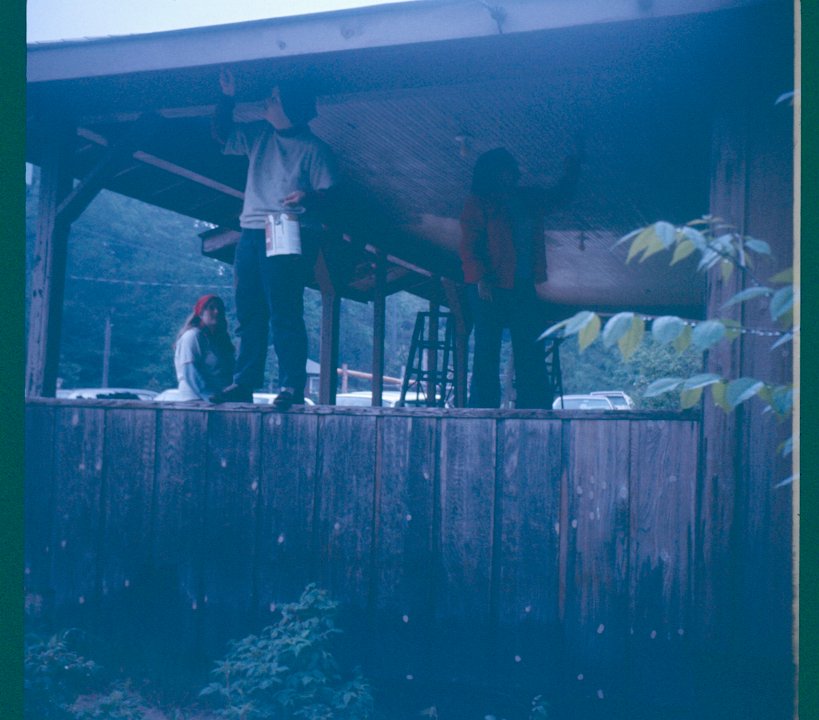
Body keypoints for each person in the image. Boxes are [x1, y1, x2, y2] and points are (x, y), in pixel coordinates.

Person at [212, 68, 338, 409]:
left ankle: (292, 387)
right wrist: (226, 98)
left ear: (290, 106)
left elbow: (335, 196)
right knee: (249, 309)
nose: (268, 100)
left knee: (284, 308)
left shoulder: (314, 149)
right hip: (252, 227)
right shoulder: (259, 135)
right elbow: (222, 135)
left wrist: (308, 198)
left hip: (287, 226)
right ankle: (244, 381)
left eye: (275, 97)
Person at [459, 147, 580, 409]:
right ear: (494, 173)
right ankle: (482, 407)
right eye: (507, 168)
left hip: (519, 283)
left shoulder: (526, 198)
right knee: (487, 347)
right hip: (488, 285)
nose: (513, 173)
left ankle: (534, 405)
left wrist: (572, 171)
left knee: (530, 345)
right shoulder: (479, 202)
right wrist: (480, 277)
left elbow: (558, 198)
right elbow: (469, 243)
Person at [173, 294, 235, 402]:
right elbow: (190, 372)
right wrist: (209, 395)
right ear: (200, 313)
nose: (217, 311)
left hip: (217, 400)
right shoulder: (193, 336)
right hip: (196, 401)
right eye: (211, 308)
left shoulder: (219, 340)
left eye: (219, 309)